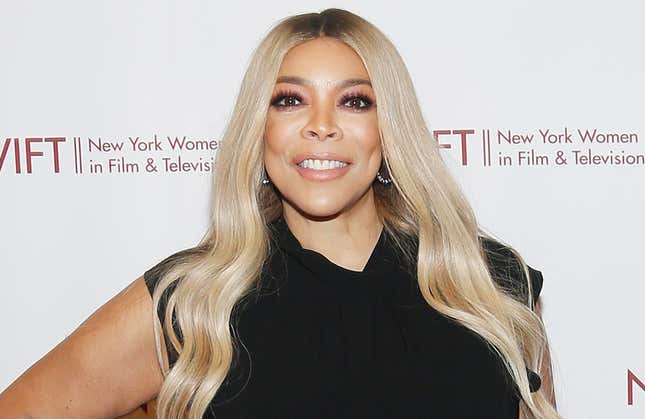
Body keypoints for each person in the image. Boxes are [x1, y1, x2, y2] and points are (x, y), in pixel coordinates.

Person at [0, 8, 560, 419]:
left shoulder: (489, 282)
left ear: (389, 131)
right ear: (259, 130)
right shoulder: (196, 299)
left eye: (355, 101)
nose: (321, 124)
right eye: (289, 100)